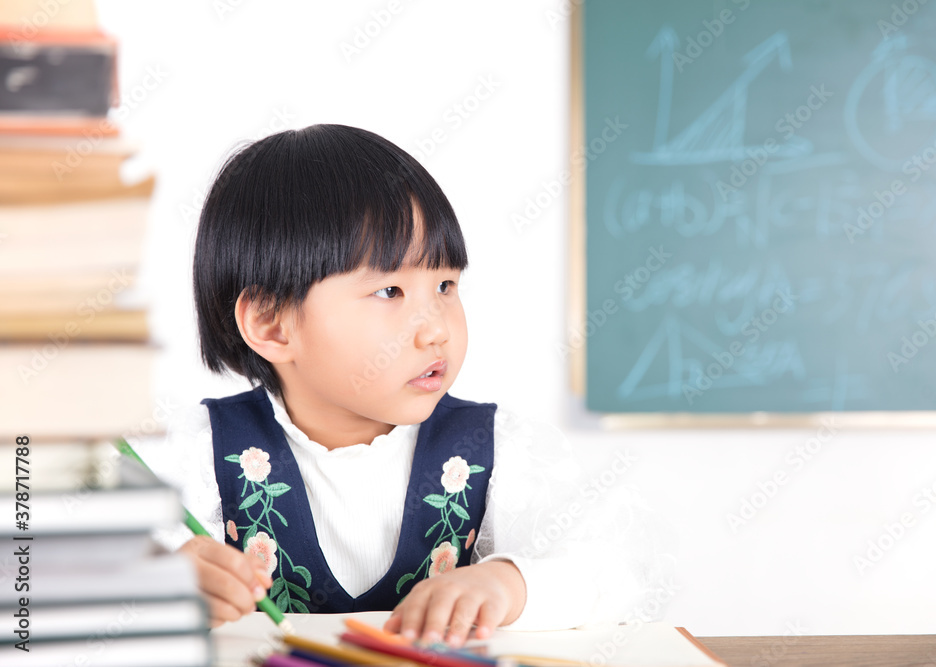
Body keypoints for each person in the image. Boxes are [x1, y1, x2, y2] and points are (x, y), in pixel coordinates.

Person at [129, 124, 671, 647]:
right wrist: (158, 584)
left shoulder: (498, 448)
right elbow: (66, 574)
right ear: (272, 323)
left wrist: (508, 584)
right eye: (390, 291)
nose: (436, 327)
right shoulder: (191, 454)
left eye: (445, 285)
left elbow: (618, 568)